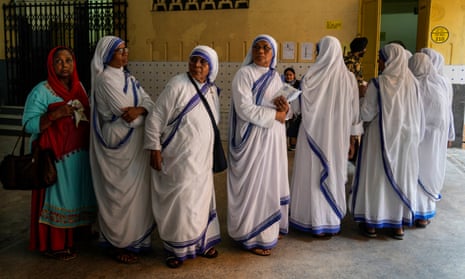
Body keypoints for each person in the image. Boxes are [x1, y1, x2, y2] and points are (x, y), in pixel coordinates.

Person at [144, 45, 221, 268]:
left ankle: (202, 243)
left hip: (202, 160)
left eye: (203, 62)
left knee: (202, 201)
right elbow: (155, 119)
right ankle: (175, 249)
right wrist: (154, 148)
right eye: (193, 60)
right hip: (179, 159)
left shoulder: (212, 90)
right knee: (181, 204)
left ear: (211, 67)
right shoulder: (177, 85)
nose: (197, 65)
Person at [23, 46, 97, 260]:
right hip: (56, 158)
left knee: (78, 195)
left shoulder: (79, 87)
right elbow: (28, 124)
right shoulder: (41, 91)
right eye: (59, 61)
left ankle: (77, 234)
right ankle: (55, 244)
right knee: (59, 198)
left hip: (80, 155)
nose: (64, 65)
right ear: (51, 65)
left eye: (68, 60)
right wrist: (56, 114)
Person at [89, 36, 155, 264]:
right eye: (119, 51)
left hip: (134, 143)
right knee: (119, 194)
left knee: (137, 194)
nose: (125, 54)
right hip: (118, 143)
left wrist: (141, 110)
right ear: (107, 56)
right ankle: (118, 243)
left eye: (126, 49)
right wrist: (141, 112)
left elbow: (150, 104)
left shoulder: (128, 76)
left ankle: (137, 239)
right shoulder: (106, 80)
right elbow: (126, 116)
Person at [348, 43, 424, 240]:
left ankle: (372, 223)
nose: (379, 62)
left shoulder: (378, 83)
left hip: (379, 138)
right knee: (400, 177)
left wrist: (362, 97)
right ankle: (397, 224)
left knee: (376, 179)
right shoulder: (414, 83)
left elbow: (367, 113)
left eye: (381, 58)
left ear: (390, 60)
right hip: (406, 139)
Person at [289, 36, 362, 237]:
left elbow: (296, 108)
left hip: (310, 137)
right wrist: (353, 139)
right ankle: (328, 220)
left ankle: (309, 219)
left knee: (310, 175)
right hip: (337, 137)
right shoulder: (348, 78)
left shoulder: (309, 77)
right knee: (333, 174)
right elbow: (355, 112)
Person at [227, 34, 290, 256]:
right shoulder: (244, 74)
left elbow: (281, 107)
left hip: (273, 139)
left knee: (270, 183)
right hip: (252, 141)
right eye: (257, 47)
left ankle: (270, 227)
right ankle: (253, 235)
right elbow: (244, 109)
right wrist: (276, 115)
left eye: (266, 48)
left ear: (273, 53)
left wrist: (285, 109)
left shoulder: (275, 76)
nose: (261, 51)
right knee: (256, 186)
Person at [409, 52, 454, 228]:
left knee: (419, 172)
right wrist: (450, 135)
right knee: (427, 171)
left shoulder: (414, 84)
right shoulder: (441, 82)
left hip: (420, 137)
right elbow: (448, 112)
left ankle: (415, 211)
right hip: (434, 138)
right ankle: (422, 214)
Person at [421, 47, 455, 148]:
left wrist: (450, 135)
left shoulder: (443, 81)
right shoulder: (419, 78)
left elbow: (448, 109)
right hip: (421, 129)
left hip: (436, 129)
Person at [344, 36, 368, 163]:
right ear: (361, 49)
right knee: (351, 127)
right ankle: (351, 152)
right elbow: (356, 83)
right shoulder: (355, 62)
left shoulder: (345, 58)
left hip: (343, 98)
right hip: (351, 98)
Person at [283, 67, 301, 151]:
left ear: (294, 75)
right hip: (285, 109)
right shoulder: (282, 84)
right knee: (285, 127)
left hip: (296, 108)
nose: (288, 77)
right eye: (287, 75)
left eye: (290, 75)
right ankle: (284, 145)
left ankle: (292, 145)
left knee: (294, 127)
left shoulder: (299, 84)